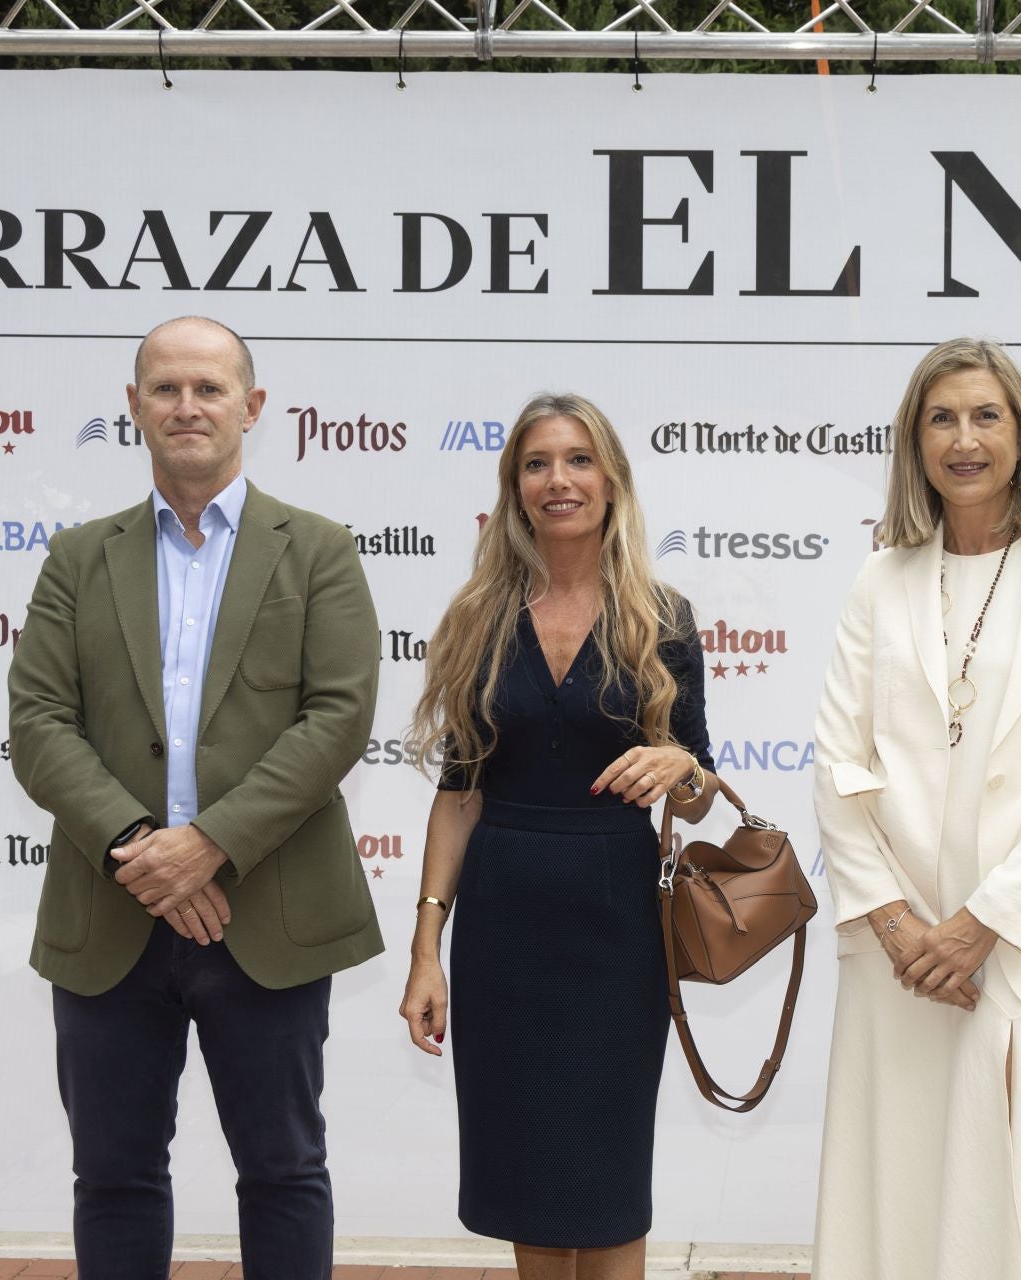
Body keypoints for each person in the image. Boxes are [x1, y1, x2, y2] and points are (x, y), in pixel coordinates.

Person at [7, 316, 383, 1277]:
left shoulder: (321, 552)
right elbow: (41, 725)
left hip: (268, 915)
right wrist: (146, 848)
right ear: (132, 407)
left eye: (209, 389)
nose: (187, 407)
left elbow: (335, 721)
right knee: (115, 1179)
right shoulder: (76, 559)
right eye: (166, 388)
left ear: (252, 408)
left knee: (284, 1172)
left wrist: (207, 844)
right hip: (111, 916)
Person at [809, 338, 1021, 1280]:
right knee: (903, 1214)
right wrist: (898, 926)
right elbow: (839, 765)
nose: (964, 439)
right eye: (942, 418)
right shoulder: (880, 582)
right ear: (914, 442)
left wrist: (980, 926)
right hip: (901, 967)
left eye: (985, 416)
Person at [398, 392, 720, 1280]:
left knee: (610, 1183)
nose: (559, 480)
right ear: (515, 490)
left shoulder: (663, 615)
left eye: (579, 460)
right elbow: (458, 797)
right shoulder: (478, 618)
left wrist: (676, 768)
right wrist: (428, 947)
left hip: (618, 926)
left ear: (611, 480)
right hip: (503, 924)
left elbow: (696, 791)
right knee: (530, 1181)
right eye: (537, 464)